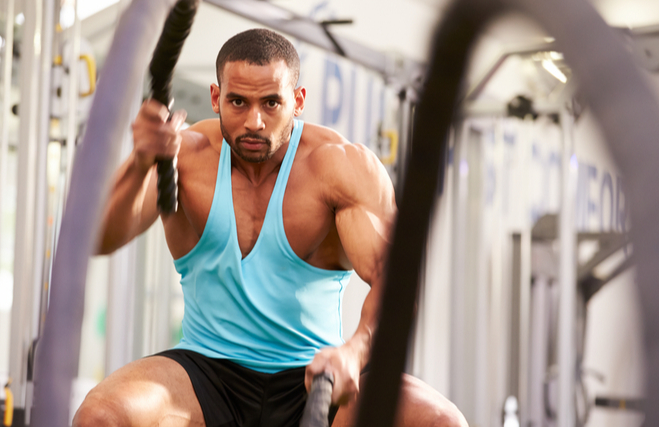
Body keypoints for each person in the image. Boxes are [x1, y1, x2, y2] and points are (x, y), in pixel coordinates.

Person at [74, 28, 467, 427]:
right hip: (205, 372)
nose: (254, 122)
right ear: (216, 98)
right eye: (238, 102)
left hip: (315, 375)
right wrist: (141, 164)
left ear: (297, 102)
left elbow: (395, 280)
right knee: (99, 416)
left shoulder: (338, 166)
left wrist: (355, 351)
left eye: (271, 103)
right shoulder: (185, 156)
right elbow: (95, 239)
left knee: (441, 421)